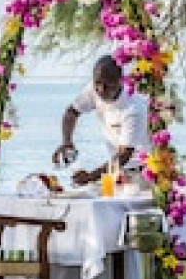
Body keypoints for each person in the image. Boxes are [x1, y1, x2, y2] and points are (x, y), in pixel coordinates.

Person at [52, 54, 150, 186]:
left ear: (120, 81)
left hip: (141, 173)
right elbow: (72, 112)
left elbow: (124, 155)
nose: (101, 90)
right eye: (97, 83)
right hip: (117, 171)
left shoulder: (133, 107)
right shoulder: (95, 89)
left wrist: (90, 177)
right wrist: (67, 142)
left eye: (108, 85)